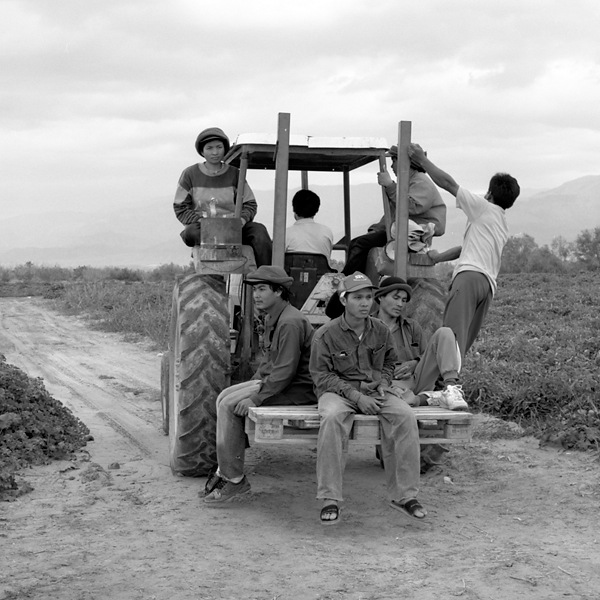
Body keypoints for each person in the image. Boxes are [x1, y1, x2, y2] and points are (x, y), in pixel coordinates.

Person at [310, 272, 425, 524]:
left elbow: (389, 363)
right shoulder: (325, 335)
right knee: (331, 418)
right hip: (338, 392)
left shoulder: (381, 331)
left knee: (405, 416)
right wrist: (356, 396)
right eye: (358, 297)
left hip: (374, 391)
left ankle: (405, 496)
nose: (365, 303)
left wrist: (384, 383)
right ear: (344, 300)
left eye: (369, 297)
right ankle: (330, 497)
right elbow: (321, 376)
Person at [204, 265, 316, 504]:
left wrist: (255, 397)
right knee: (224, 396)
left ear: (279, 292)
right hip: (280, 384)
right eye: (254, 289)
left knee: (229, 406)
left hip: (298, 390)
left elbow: (285, 372)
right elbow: (270, 361)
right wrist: (254, 382)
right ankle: (226, 466)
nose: (256, 294)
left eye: (262, 289)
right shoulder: (274, 318)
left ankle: (234, 480)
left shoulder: (290, 322)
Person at [408, 143, 520, 358]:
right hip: (487, 286)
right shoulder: (500, 223)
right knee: (462, 342)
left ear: (489, 193)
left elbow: (449, 184)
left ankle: (441, 386)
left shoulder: (483, 207)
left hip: (468, 279)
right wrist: (438, 258)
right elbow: (465, 248)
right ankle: (451, 383)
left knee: (449, 337)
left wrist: (422, 160)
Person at [173, 127, 273, 267]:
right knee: (191, 232)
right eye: (209, 148)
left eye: (219, 147)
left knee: (259, 231)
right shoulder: (190, 174)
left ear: (224, 148)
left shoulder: (235, 174)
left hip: (233, 229)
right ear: (202, 151)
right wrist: (200, 221)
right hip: (203, 228)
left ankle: (266, 275)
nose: (215, 152)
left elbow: (250, 204)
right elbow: (180, 206)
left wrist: (241, 220)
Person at [341, 145, 446, 275]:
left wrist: (390, 185)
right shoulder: (407, 184)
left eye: (394, 161)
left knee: (359, 244)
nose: (391, 166)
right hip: (400, 232)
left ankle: (348, 281)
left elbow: (411, 207)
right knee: (360, 243)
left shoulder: (420, 181)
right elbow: (393, 215)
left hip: (412, 236)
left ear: (405, 163)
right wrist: (376, 229)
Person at [374, 276, 467, 411]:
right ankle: (425, 399)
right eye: (396, 298)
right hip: (384, 385)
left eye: (404, 300)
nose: (400, 304)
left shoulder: (412, 326)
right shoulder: (368, 327)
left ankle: (450, 389)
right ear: (380, 297)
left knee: (445, 332)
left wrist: (415, 363)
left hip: (415, 381)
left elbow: (426, 356)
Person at [285, 189, 335, 265]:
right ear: (317, 209)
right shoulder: (327, 232)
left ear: (293, 208)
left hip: (291, 276)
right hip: (320, 276)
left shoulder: (285, 234)